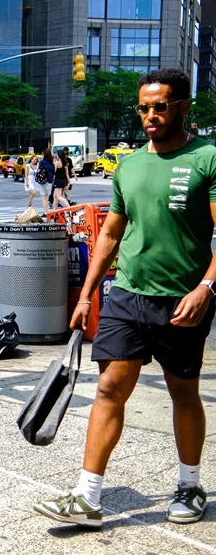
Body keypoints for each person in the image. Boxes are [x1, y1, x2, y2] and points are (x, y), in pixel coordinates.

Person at [33, 68, 216, 528]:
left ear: (183, 107)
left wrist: (206, 288)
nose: (150, 115)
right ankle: (87, 496)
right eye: (144, 107)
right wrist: (86, 294)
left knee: (182, 392)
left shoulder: (207, 158)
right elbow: (112, 233)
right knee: (110, 388)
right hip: (127, 294)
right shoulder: (130, 165)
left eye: (160, 106)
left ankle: (190, 484)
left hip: (182, 299)